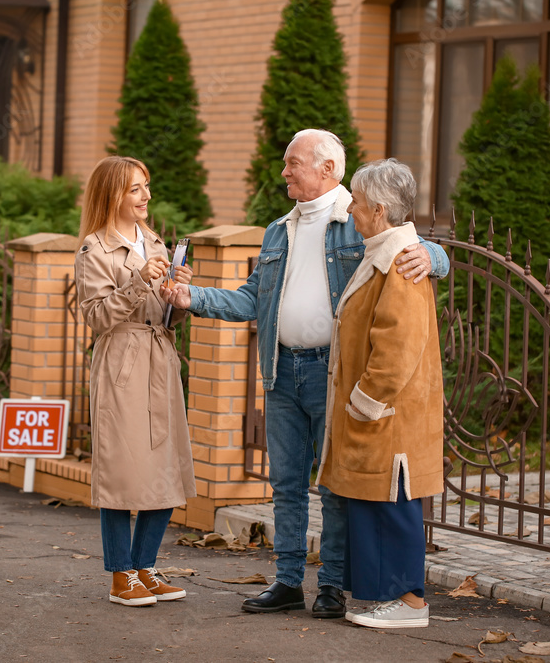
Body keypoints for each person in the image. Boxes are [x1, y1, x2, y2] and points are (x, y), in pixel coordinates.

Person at [159, 129, 449, 619]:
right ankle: (289, 580)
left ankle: (332, 586)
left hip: (333, 375)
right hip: (280, 369)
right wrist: (195, 298)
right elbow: (253, 297)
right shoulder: (278, 229)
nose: (284, 171)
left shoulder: (359, 217)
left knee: (336, 484)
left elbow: (408, 250)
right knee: (287, 484)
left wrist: (438, 257)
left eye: (293, 163)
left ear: (327, 169)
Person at [315, 158, 444, 629]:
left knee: (394, 505)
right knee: (375, 504)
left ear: (380, 209)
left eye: (359, 201)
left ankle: (409, 604)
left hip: (389, 414)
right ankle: (388, 599)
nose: (351, 207)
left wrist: (365, 400)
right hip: (379, 413)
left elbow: (398, 343)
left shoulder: (399, 259)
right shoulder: (383, 250)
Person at [75, 156, 196, 607]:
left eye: (147, 187)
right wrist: (137, 284)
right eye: (135, 189)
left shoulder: (156, 242)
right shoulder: (95, 249)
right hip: (123, 362)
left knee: (165, 468)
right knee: (122, 470)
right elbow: (95, 317)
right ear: (113, 195)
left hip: (160, 358)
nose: (146, 196)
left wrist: (177, 295)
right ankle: (119, 574)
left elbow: (169, 317)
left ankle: (144, 568)